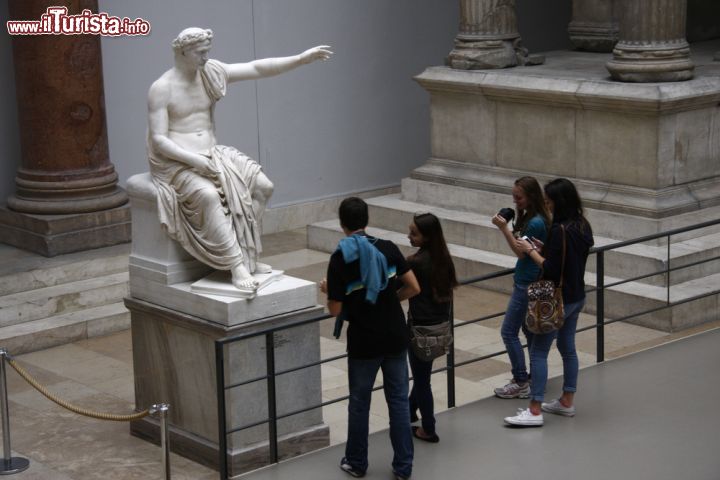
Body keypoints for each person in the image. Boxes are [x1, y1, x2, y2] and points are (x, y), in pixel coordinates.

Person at [147, 27, 332, 292]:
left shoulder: (210, 72)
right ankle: (237, 265)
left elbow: (256, 68)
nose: (205, 57)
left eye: (207, 51)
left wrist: (301, 59)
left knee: (264, 187)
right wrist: (195, 161)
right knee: (209, 196)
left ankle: (246, 252)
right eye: (200, 53)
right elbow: (159, 140)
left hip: (213, 154)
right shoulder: (161, 88)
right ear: (184, 51)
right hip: (180, 163)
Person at [320, 197, 420, 480]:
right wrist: (389, 300)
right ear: (366, 219)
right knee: (399, 402)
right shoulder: (387, 248)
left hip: (364, 342)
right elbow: (413, 287)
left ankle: (356, 462)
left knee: (360, 402)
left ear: (342, 224)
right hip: (395, 336)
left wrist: (330, 290)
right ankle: (403, 467)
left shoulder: (340, 259)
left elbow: (336, 309)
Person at [504, 178, 594, 427]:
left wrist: (530, 250)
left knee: (539, 352)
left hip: (557, 298)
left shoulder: (558, 229)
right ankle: (567, 400)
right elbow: (571, 256)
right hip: (577, 295)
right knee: (568, 348)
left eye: (549, 198)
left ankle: (534, 410)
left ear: (557, 201)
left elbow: (552, 268)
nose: (546, 202)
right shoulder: (582, 224)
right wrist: (545, 249)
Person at [491, 177, 549, 399]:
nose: (515, 201)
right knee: (528, 330)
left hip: (527, 283)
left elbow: (520, 252)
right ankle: (534, 376)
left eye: (519, 197)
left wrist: (503, 228)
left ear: (531, 196)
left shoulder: (535, 222)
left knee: (508, 331)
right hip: (532, 280)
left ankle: (520, 380)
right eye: (514, 196)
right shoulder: (536, 218)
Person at [406, 213, 458, 444]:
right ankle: (409, 410)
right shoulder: (444, 259)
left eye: (414, 233)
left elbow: (400, 287)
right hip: (441, 327)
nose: (409, 236)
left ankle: (429, 428)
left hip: (420, 329)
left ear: (427, 237)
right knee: (422, 374)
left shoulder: (415, 263)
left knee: (422, 379)